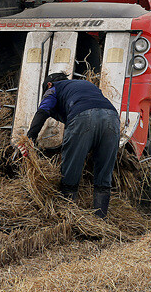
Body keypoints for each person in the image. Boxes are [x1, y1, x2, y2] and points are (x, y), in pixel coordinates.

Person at [26, 72, 120, 218]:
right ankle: (100, 220)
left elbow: (43, 110)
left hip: (83, 117)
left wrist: (30, 138)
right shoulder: (86, 84)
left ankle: (68, 215)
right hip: (112, 118)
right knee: (104, 173)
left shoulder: (54, 88)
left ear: (49, 84)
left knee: (71, 168)